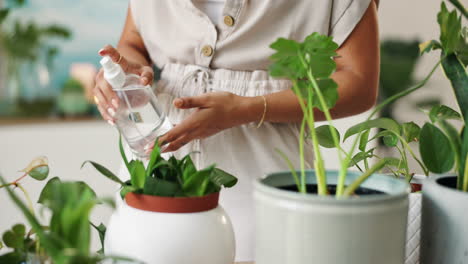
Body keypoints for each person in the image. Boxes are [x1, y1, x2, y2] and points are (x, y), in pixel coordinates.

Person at [93, 0, 379, 261]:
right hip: (154, 166)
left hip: (263, 174)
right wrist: (126, 70)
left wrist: (249, 108)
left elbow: (358, 83)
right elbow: (134, 41)